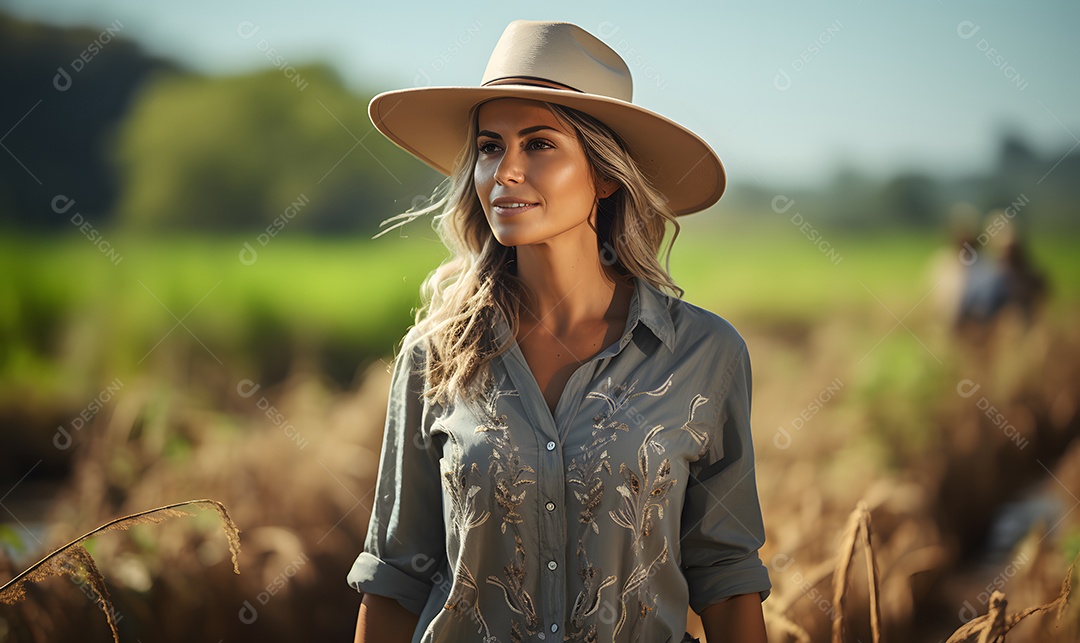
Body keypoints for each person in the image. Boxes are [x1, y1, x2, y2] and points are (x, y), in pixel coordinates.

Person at [348, 20, 771, 643]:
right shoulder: (435, 355)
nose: (506, 172)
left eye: (539, 144)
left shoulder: (705, 355)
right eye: (491, 147)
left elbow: (727, 575)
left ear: (603, 176)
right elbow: (395, 578)